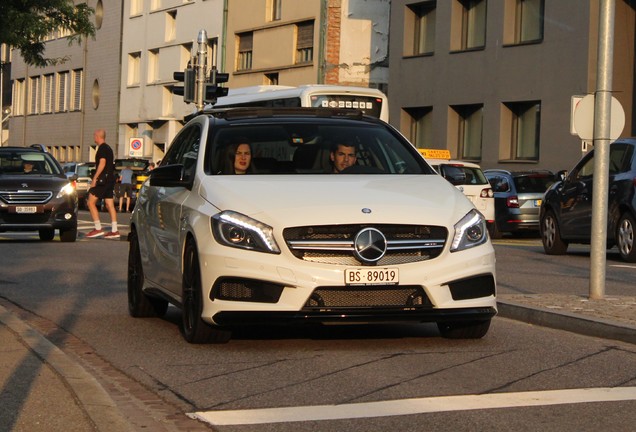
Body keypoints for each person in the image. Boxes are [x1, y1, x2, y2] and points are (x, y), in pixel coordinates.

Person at [86, 129, 120, 239]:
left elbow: (102, 163)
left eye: (94, 135)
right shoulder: (109, 148)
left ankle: (98, 228)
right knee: (109, 204)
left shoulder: (102, 148)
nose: (93, 137)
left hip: (102, 180)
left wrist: (95, 178)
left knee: (90, 202)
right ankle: (115, 230)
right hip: (110, 179)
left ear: (98, 136)